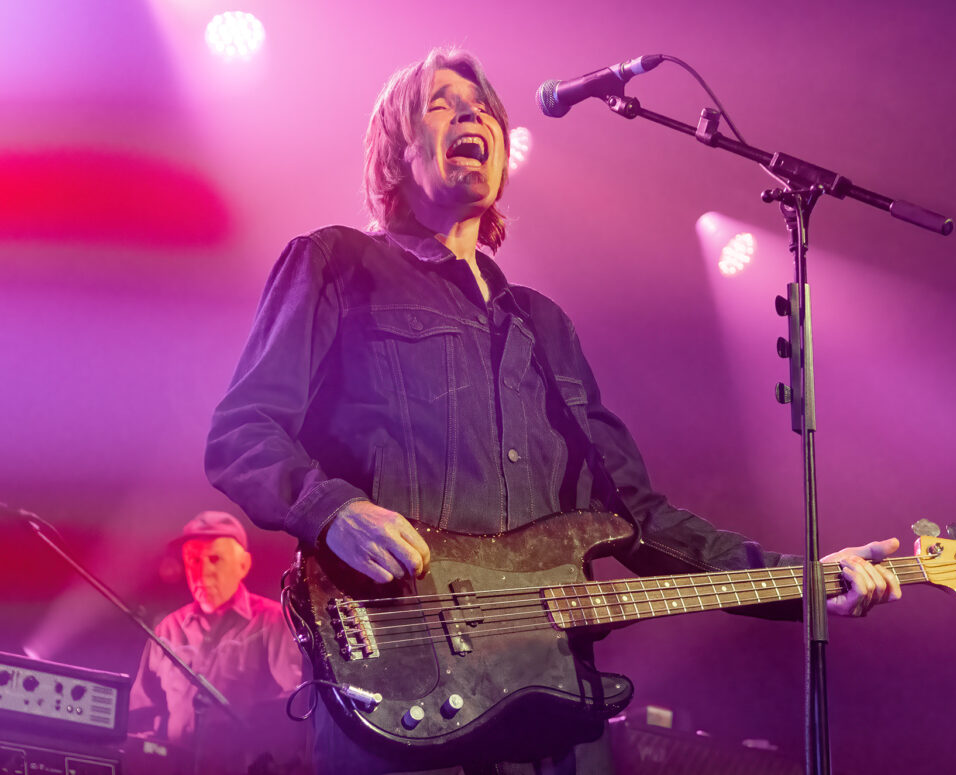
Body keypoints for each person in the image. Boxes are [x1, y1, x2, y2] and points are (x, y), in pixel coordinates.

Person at [204, 47, 901, 775]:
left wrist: (810, 575)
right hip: (397, 688)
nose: (471, 113)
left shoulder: (545, 327)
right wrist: (331, 509)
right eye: (441, 104)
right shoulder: (335, 264)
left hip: (551, 709)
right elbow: (241, 432)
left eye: (483, 110)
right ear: (396, 153)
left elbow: (639, 520)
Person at [128, 511, 309, 774]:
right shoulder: (168, 629)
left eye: (215, 559)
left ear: (243, 565)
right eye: (193, 560)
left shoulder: (273, 622)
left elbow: (295, 706)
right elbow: (142, 711)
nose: (202, 571)